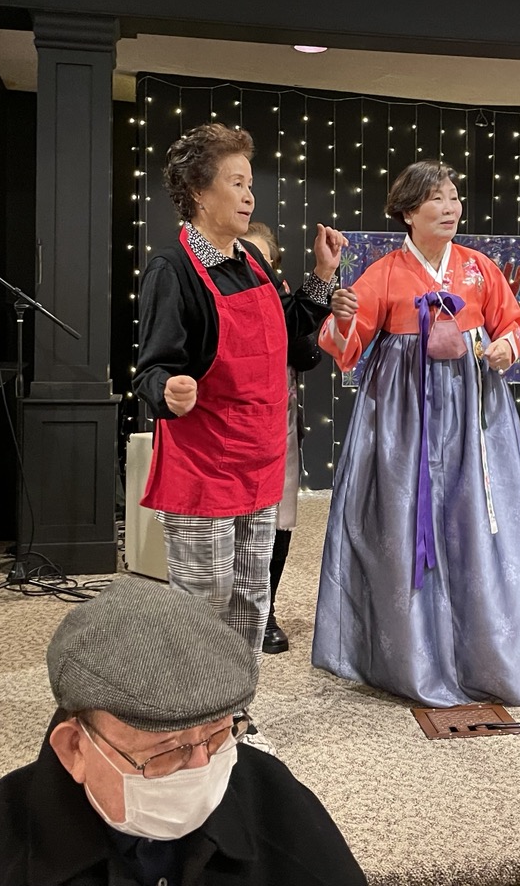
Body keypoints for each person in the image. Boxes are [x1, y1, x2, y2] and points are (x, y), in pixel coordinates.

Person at [0, 574, 368, 886]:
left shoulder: (278, 806)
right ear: (75, 747)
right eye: (165, 751)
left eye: (221, 734)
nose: (202, 766)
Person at [312, 159, 520, 708]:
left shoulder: (478, 267)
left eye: (454, 198)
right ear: (407, 211)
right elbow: (346, 344)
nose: (451, 208)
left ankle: (488, 648)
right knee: (405, 522)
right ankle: (411, 652)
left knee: (478, 518)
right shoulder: (382, 273)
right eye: (437, 200)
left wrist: (505, 347)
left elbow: (514, 322)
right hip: (405, 415)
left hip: (475, 413)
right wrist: (342, 313)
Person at [134, 124, 344, 666]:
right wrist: (171, 389)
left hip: (259, 459)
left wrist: (322, 275)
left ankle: (233, 711)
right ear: (200, 193)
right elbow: (151, 370)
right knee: (203, 604)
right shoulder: (172, 269)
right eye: (236, 183)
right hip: (206, 464)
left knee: (252, 599)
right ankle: (193, 716)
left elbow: (290, 331)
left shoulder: (251, 261)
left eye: (250, 183)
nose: (250, 195)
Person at [242, 221, 325, 655]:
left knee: (279, 518)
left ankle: (266, 610)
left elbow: (309, 357)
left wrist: (292, 309)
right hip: (233, 428)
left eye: (262, 258)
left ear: (274, 265)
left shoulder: (289, 301)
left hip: (280, 426)